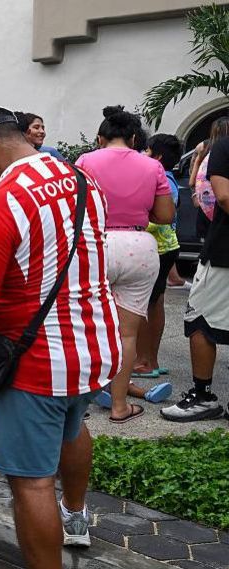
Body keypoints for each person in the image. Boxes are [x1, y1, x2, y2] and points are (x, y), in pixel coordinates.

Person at [0, 103, 120, 569]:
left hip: (35, 361)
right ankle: (76, 513)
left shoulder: (0, 200)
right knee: (73, 427)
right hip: (94, 349)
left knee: (32, 484)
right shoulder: (81, 179)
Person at [76, 106, 175, 422]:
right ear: (134, 138)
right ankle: (119, 406)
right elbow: (165, 216)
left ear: (100, 138)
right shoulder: (152, 166)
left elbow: (73, 206)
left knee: (83, 326)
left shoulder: (84, 162)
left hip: (95, 244)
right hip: (138, 247)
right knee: (127, 334)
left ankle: (77, 405)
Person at [160, 126, 229, 422]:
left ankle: (203, 396)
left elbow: (223, 196)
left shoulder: (224, 147)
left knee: (199, 319)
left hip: (224, 252)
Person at [134, 134, 184, 383]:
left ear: (158, 156)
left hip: (159, 248)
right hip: (166, 248)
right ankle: (151, 359)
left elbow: (161, 216)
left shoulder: (163, 180)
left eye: (147, 150)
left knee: (145, 306)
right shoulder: (169, 178)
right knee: (155, 303)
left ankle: (143, 361)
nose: (142, 154)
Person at [188, 117, 229, 241]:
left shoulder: (203, 148)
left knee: (208, 248)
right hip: (224, 211)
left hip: (206, 207)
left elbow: (192, 180)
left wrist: (196, 193)